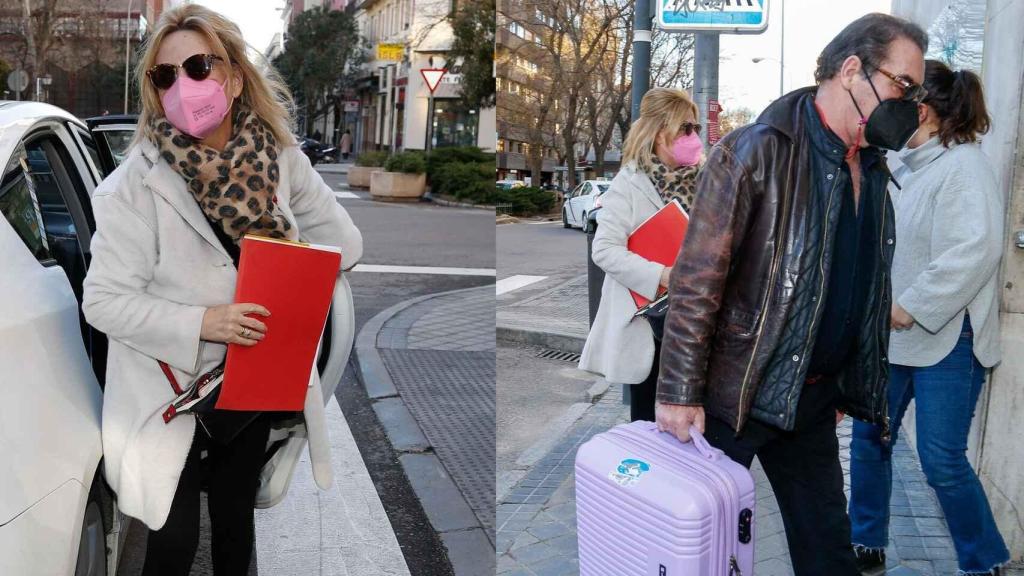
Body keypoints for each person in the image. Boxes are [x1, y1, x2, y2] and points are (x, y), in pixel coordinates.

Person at [81, 5, 363, 575]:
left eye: (198, 67)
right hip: (169, 391)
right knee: (173, 541)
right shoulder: (134, 186)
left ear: (233, 78)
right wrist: (202, 322)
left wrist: (286, 258)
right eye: (165, 77)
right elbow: (103, 300)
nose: (183, 87)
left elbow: (344, 246)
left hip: (252, 377)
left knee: (236, 526)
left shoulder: (281, 161)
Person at [655, 13, 928, 576]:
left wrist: (849, 380)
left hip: (810, 399)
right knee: (697, 552)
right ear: (852, 70)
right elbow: (697, 280)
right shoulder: (756, 151)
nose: (910, 103)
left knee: (829, 550)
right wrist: (679, 392)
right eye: (903, 85)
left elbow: (861, 286)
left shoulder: (873, 168)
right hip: (732, 399)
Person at [848, 60, 1009, 576]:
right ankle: (865, 541)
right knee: (870, 439)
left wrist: (910, 305)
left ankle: (984, 561)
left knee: (942, 462)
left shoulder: (964, 167)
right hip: (892, 339)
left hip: (948, 340)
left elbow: (973, 252)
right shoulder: (906, 166)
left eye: (903, 99)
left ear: (927, 113)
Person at [579, 87, 704, 422]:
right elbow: (604, 250)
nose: (693, 137)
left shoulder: (709, 182)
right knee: (650, 429)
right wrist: (662, 275)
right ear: (660, 133)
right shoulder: (630, 183)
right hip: (651, 324)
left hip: (698, 324)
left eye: (696, 129)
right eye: (685, 129)